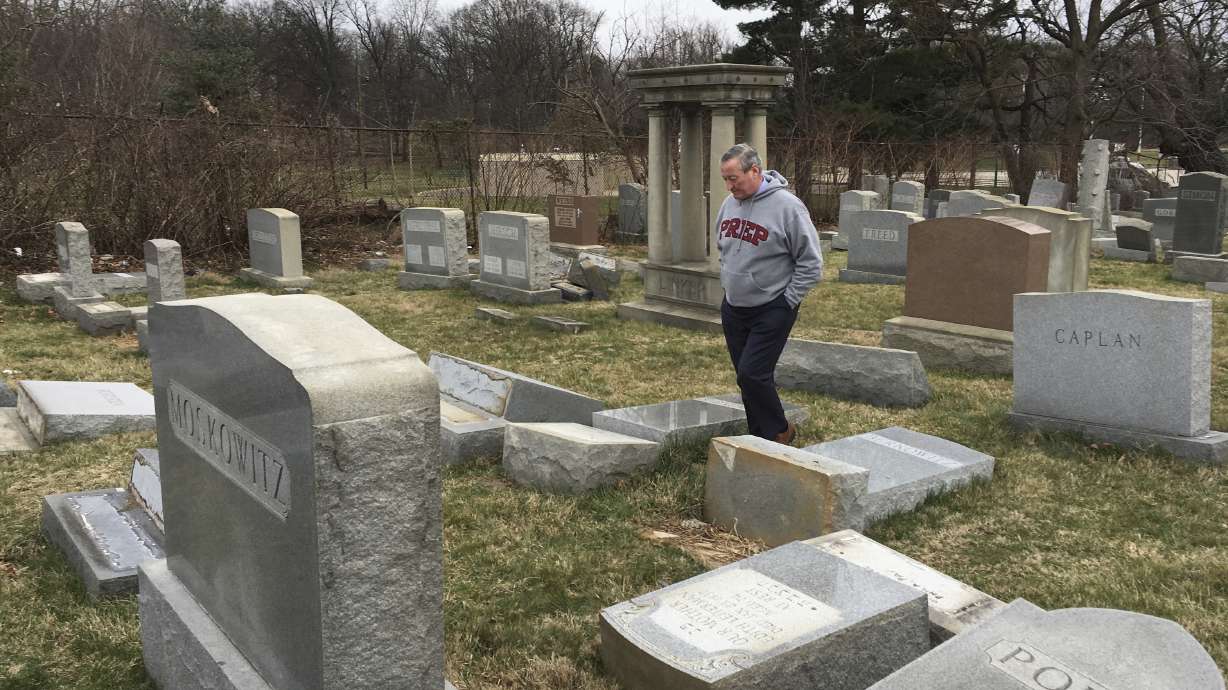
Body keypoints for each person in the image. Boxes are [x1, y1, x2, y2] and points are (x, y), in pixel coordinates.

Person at [714, 143, 823, 445]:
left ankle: (780, 431)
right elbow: (721, 244)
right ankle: (758, 436)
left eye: (733, 178)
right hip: (734, 306)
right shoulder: (729, 203)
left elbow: (811, 263)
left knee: (753, 373)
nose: (728, 185)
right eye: (725, 178)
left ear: (755, 171)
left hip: (772, 306)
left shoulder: (788, 207)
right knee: (745, 377)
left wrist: (786, 301)